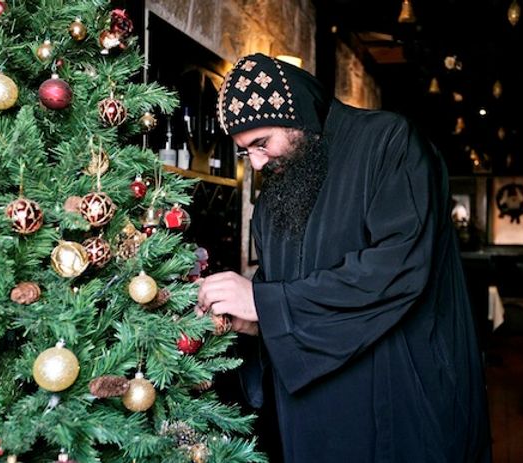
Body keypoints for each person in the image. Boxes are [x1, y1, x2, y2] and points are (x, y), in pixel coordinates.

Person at [196, 53, 491, 462]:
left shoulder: (389, 143)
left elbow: (396, 269)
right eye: (247, 153)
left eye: (261, 144)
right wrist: (247, 318)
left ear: (296, 113)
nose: (258, 163)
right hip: (309, 416)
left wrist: (264, 303)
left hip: (396, 398)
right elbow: (285, 285)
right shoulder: (277, 194)